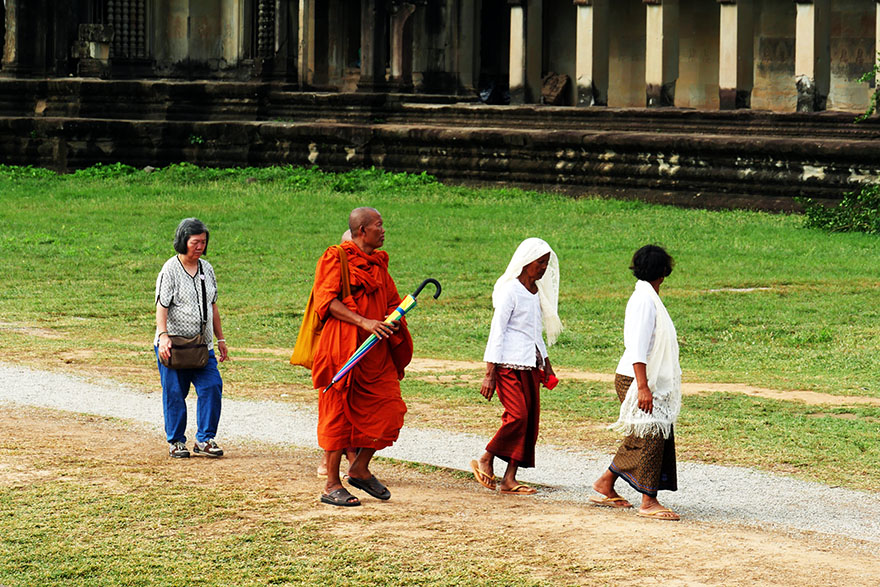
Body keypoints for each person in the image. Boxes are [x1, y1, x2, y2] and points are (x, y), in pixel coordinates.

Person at [311, 207, 413, 506]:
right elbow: (326, 301)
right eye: (379, 225)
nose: (384, 230)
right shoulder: (336, 257)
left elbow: (392, 301)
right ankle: (331, 484)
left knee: (390, 409)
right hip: (342, 350)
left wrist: (396, 316)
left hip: (375, 352)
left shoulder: (379, 264)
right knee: (337, 413)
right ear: (362, 231)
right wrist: (364, 321)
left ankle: (359, 468)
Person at [591, 244, 681, 520]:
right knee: (652, 437)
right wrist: (642, 387)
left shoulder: (648, 297)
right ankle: (648, 501)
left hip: (645, 377)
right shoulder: (644, 301)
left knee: (647, 435)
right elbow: (637, 348)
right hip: (637, 377)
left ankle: (604, 483)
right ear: (664, 272)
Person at [471, 238, 562, 495]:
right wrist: (489, 374)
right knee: (517, 416)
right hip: (507, 366)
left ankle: (509, 479)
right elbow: (497, 332)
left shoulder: (535, 292)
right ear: (526, 261)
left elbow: (535, 332)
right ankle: (486, 457)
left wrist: (546, 363)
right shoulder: (510, 290)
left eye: (546, 263)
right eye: (539, 262)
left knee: (529, 422)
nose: (543, 268)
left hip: (530, 366)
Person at [155, 218, 228, 459]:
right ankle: (176, 441)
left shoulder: (207, 269)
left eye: (203, 242)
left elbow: (213, 305)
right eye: (195, 242)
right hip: (174, 346)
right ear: (183, 242)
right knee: (174, 392)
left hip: (202, 346)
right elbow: (161, 306)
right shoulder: (170, 270)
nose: (199, 247)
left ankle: (205, 439)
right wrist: (163, 335)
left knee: (212, 386)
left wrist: (220, 339)